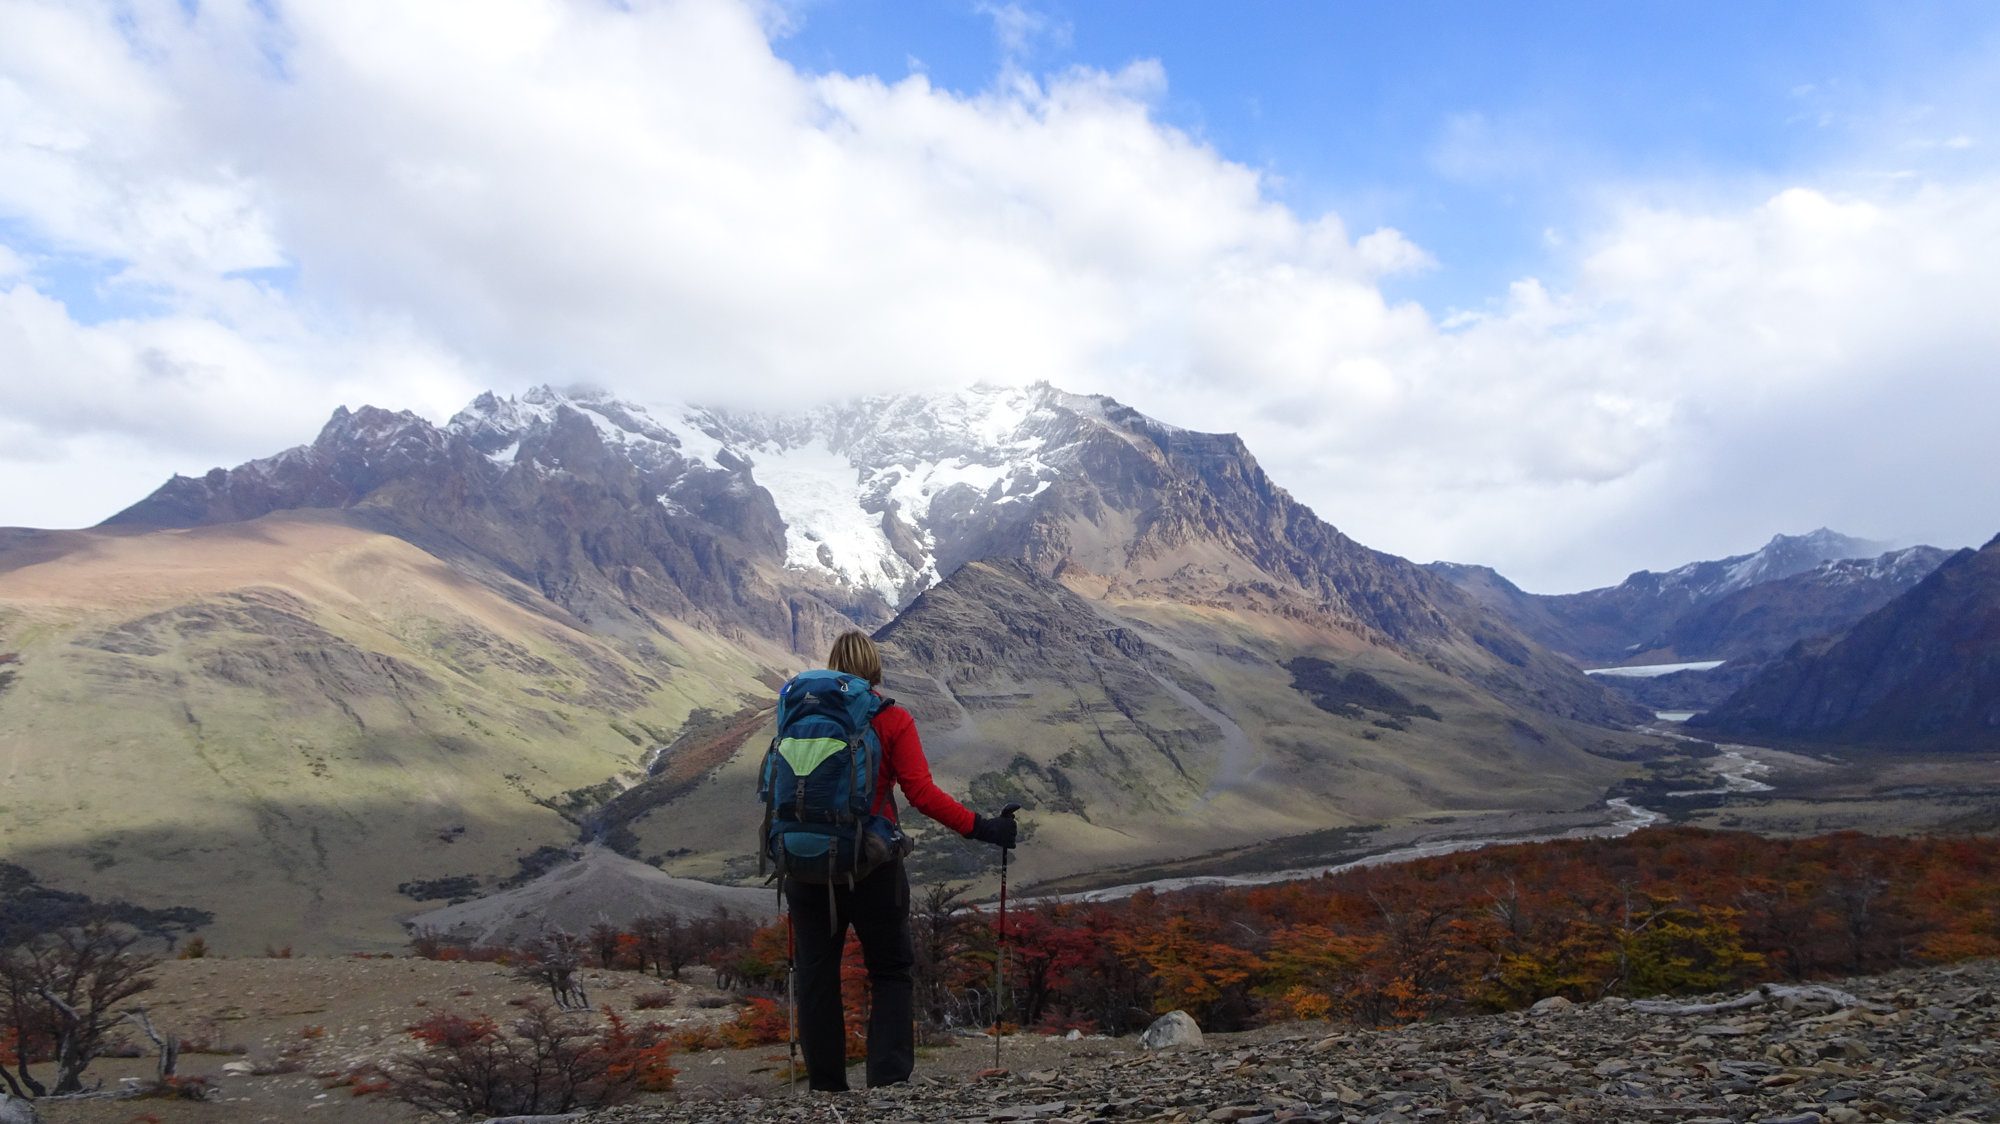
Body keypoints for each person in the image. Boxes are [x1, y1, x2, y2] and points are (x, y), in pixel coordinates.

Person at [787, 629, 1018, 1092]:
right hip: (873, 866)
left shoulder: (797, 715)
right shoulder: (891, 719)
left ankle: (825, 1087)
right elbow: (922, 794)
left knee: (815, 973)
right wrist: (985, 828)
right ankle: (888, 1083)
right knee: (890, 970)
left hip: (805, 863)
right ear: (875, 669)